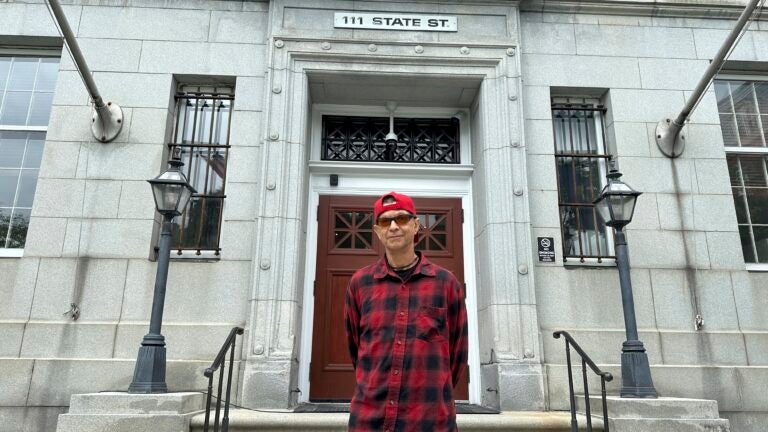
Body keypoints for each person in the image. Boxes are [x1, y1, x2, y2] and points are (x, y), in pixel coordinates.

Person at [344, 191, 468, 432]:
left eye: (401, 219)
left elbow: (458, 353)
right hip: (370, 418)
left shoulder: (446, 283)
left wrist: (432, 393)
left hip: (429, 419)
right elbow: (355, 348)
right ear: (377, 231)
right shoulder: (360, 283)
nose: (393, 227)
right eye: (385, 221)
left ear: (415, 225)